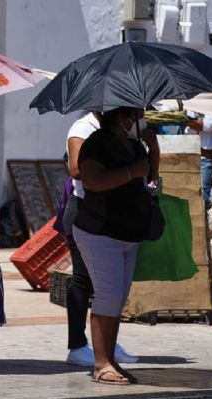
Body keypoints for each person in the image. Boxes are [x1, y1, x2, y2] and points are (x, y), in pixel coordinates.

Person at [73, 107, 159, 385]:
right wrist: (131, 171)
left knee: (117, 299)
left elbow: (148, 176)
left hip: (127, 233)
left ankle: (110, 358)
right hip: (100, 231)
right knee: (107, 296)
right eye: (134, 116)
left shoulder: (133, 144)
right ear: (121, 118)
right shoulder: (96, 144)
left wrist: (153, 147)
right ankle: (101, 364)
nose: (137, 121)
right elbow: (92, 180)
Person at [63, 112, 139, 367]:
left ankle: (107, 343)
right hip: (86, 210)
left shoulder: (129, 133)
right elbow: (76, 169)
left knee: (112, 287)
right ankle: (78, 345)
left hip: (115, 214)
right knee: (84, 281)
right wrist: (123, 171)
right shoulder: (83, 128)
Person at [186, 112, 212, 207]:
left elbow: (207, 126)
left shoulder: (210, 105)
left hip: (208, 157)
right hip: (192, 155)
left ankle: (205, 216)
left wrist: (184, 121)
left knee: (202, 193)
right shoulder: (191, 106)